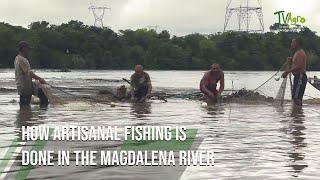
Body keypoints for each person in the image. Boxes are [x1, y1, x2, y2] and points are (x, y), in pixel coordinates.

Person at [14, 41, 48, 107]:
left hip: (28, 85)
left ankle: (41, 114)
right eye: (28, 48)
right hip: (24, 87)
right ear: (23, 48)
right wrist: (40, 79)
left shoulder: (19, 58)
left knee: (43, 96)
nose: (28, 50)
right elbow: (29, 73)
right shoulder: (21, 59)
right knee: (24, 106)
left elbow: (28, 73)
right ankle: (38, 114)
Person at [282, 38, 308, 106]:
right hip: (298, 77)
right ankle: (297, 114)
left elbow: (299, 66)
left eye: (292, 43)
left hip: (300, 77)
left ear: (297, 43)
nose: (291, 44)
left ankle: (298, 114)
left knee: (296, 98)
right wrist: (291, 60)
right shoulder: (297, 53)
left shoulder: (300, 53)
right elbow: (296, 64)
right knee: (296, 97)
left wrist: (287, 71)